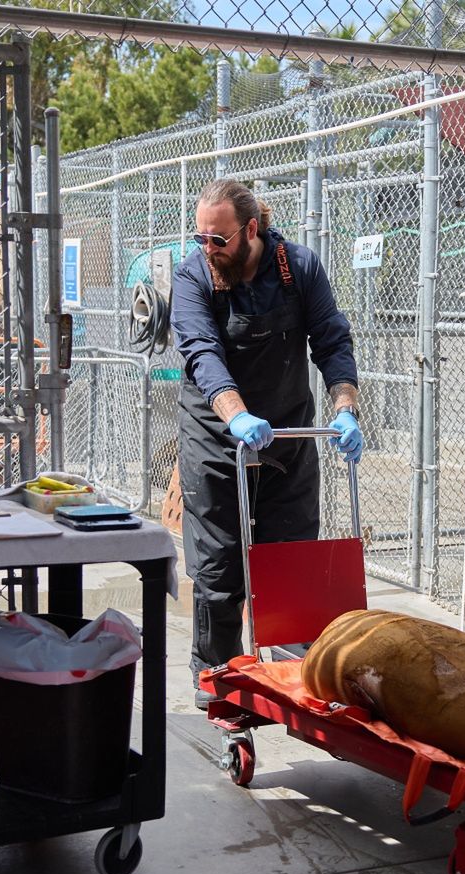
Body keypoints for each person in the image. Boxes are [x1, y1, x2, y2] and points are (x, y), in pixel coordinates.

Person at [170, 178, 362, 707]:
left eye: (219, 240)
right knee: (220, 565)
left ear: (251, 229)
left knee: (291, 559)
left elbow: (330, 338)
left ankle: (297, 678)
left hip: (286, 434)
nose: (208, 249)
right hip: (217, 435)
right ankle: (218, 682)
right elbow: (202, 354)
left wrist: (344, 408)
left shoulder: (297, 267)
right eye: (201, 237)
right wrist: (235, 414)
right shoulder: (193, 276)